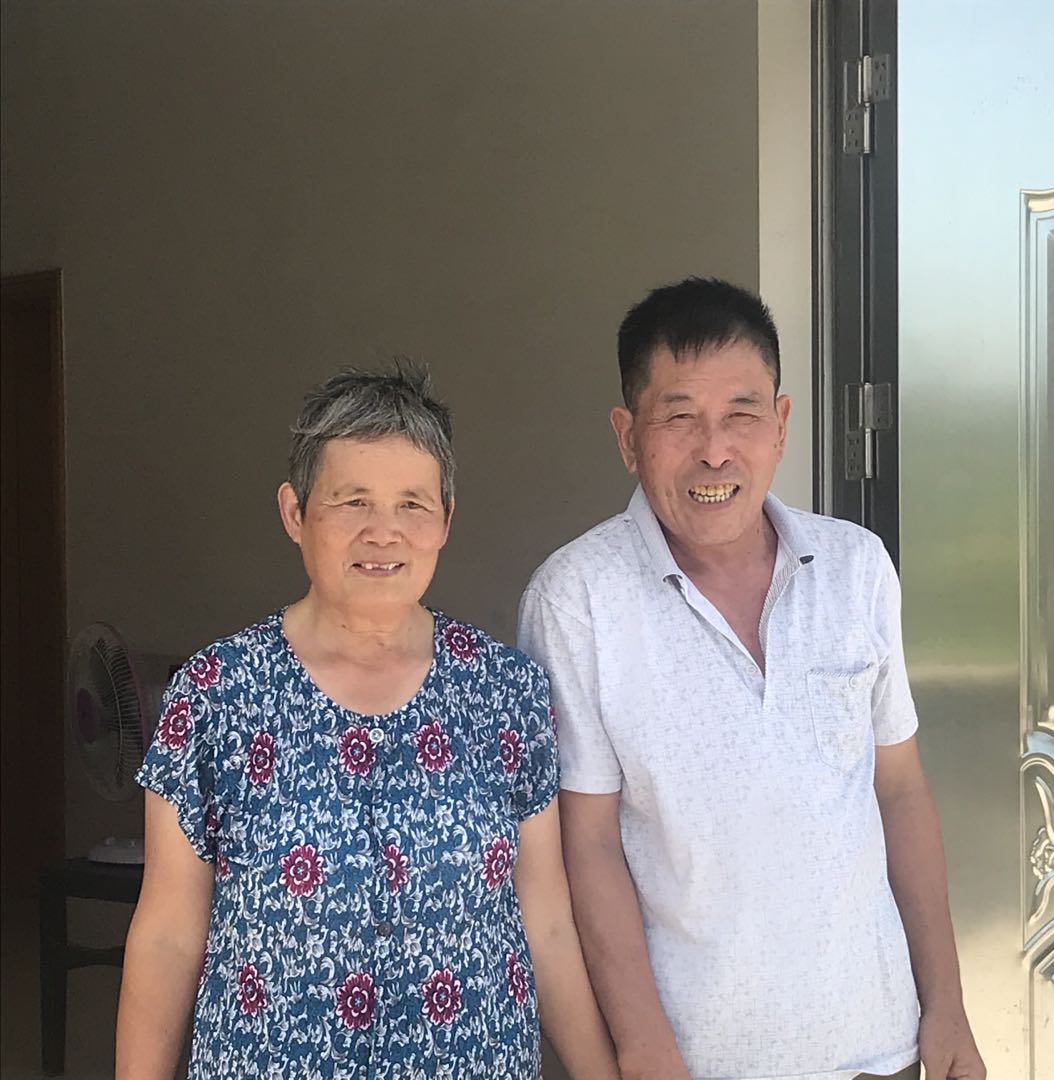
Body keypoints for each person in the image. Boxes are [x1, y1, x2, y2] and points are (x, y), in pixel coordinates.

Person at [517, 279, 985, 1080]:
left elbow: (900, 791)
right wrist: (643, 1046)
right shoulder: (577, 599)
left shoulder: (856, 568)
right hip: (697, 1061)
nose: (714, 450)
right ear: (628, 437)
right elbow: (585, 845)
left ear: (781, 424)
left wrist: (946, 1006)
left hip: (881, 1047)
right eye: (679, 418)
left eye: (742, 414)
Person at [116, 365, 617, 1079]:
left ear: (445, 520)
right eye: (352, 502)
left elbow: (547, 922)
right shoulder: (216, 692)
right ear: (295, 513)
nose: (384, 533)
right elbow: (168, 934)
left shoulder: (505, 691)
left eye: (412, 504)